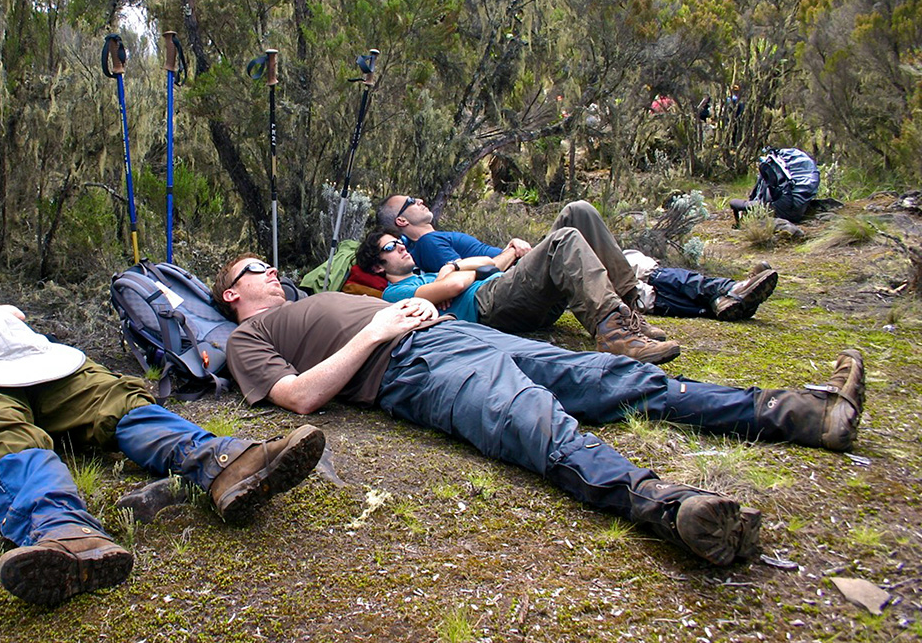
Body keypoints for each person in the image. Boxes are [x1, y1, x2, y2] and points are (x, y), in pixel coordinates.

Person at [212, 254, 866, 567]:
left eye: (272, 266)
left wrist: (415, 311)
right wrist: (378, 332)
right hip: (411, 368)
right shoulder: (247, 337)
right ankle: (670, 507)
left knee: (618, 377)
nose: (271, 272)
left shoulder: (318, 297)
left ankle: (796, 412)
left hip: (455, 335)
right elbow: (299, 397)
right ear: (229, 291)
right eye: (255, 269)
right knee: (530, 422)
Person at [0, 240, 325, 606]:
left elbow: (14, 317)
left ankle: (225, 464)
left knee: (112, 398)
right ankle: (62, 531)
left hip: (39, 366)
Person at [377, 195, 778, 323]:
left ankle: (723, 294)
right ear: (400, 220)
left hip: (521, 267)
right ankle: (715, 294)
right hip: (516, 276)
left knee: (582, 214)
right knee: (610, 251)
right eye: (411, 201)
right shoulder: (426, 247)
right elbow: (476, 271)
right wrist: (508, 253)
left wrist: (510, 252)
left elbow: (467, 269)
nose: (421, 200)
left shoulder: (435, 241)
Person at [357, 227, 680, 364]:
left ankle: (625, 317)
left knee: (578, 213)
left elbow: (485, 263)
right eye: (390, 247)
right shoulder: (396, 291)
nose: (401, 245)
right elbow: (457, 287)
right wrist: (455, 275)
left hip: (511, 291)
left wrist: (453, 265)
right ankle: (614, 335)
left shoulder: (428, 273)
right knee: (563, 239)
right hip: (492, 304)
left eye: (400, 240)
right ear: (377, 266)